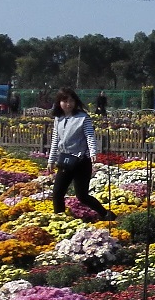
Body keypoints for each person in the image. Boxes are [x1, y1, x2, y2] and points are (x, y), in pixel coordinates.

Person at [46, 89, 110, 218]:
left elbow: (90, 136)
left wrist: (93, 152)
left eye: (71, 101)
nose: (68, 104)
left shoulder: (83, 117)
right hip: (66, 161)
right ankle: (59, 219)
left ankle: (106, 214)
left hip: (81, 161)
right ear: (59, 102)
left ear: (75, 102)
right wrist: (51, 160)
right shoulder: (58, 118)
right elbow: (55, 140)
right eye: (65, 101)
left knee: (82, 196)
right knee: (57, 193)